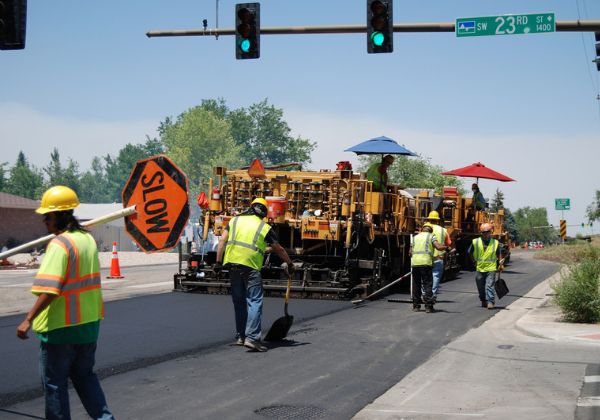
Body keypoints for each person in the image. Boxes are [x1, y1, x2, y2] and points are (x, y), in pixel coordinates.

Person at [16, 186, 114, 420]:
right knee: (86, 378)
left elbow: (50, 289)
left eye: (46, 217)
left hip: (60, 330)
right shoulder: (87, 240)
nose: (44, 222)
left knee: (55, 385)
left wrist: (28, 319)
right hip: (88, 326)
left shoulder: (60, 245)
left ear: (58, 215)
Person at [215, 197, 295, 352]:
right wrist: (290, 264)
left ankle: (241, 336)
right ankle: (252, 338)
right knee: (254, 301)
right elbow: (280, 249)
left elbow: (222, 242)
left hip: (232, 264)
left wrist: (218, 263)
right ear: (264, 212)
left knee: (239, 301)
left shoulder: (234, 221)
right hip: (250, 267)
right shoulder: (263, 227)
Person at [410, 223, 448, 313]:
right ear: (430, 230)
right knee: (427, 284)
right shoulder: (431, 236)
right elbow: (438, 247)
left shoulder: (415, 237)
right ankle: (428, 306)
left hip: (415, 264)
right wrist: (446, 247)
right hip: (426, 263)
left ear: (422, 229)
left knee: (416, 284)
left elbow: (410, 252)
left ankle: (416, 306)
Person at [468, 222, 503, 309]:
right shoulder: (475, 242)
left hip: (491, 268)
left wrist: (500, 263)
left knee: (489, 285)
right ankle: (483, 300)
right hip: (480, 268)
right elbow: (469, 252)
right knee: (480, 286)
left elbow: (499, 253)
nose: (486, 234)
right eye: (484, 232)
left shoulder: (495, 242)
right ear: (481, 233)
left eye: (487, 232)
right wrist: (474, 261)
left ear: (490, 232)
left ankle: (490, 301)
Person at [423, 210, 452, 303]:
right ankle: (433, 295)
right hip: (438, 257)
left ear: (429, 220)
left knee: (425, 277)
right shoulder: (443, 230)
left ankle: (424, 294)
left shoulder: (424, 229)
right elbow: (448, 243)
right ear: (438, 220)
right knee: (435, 277)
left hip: (426, 257)